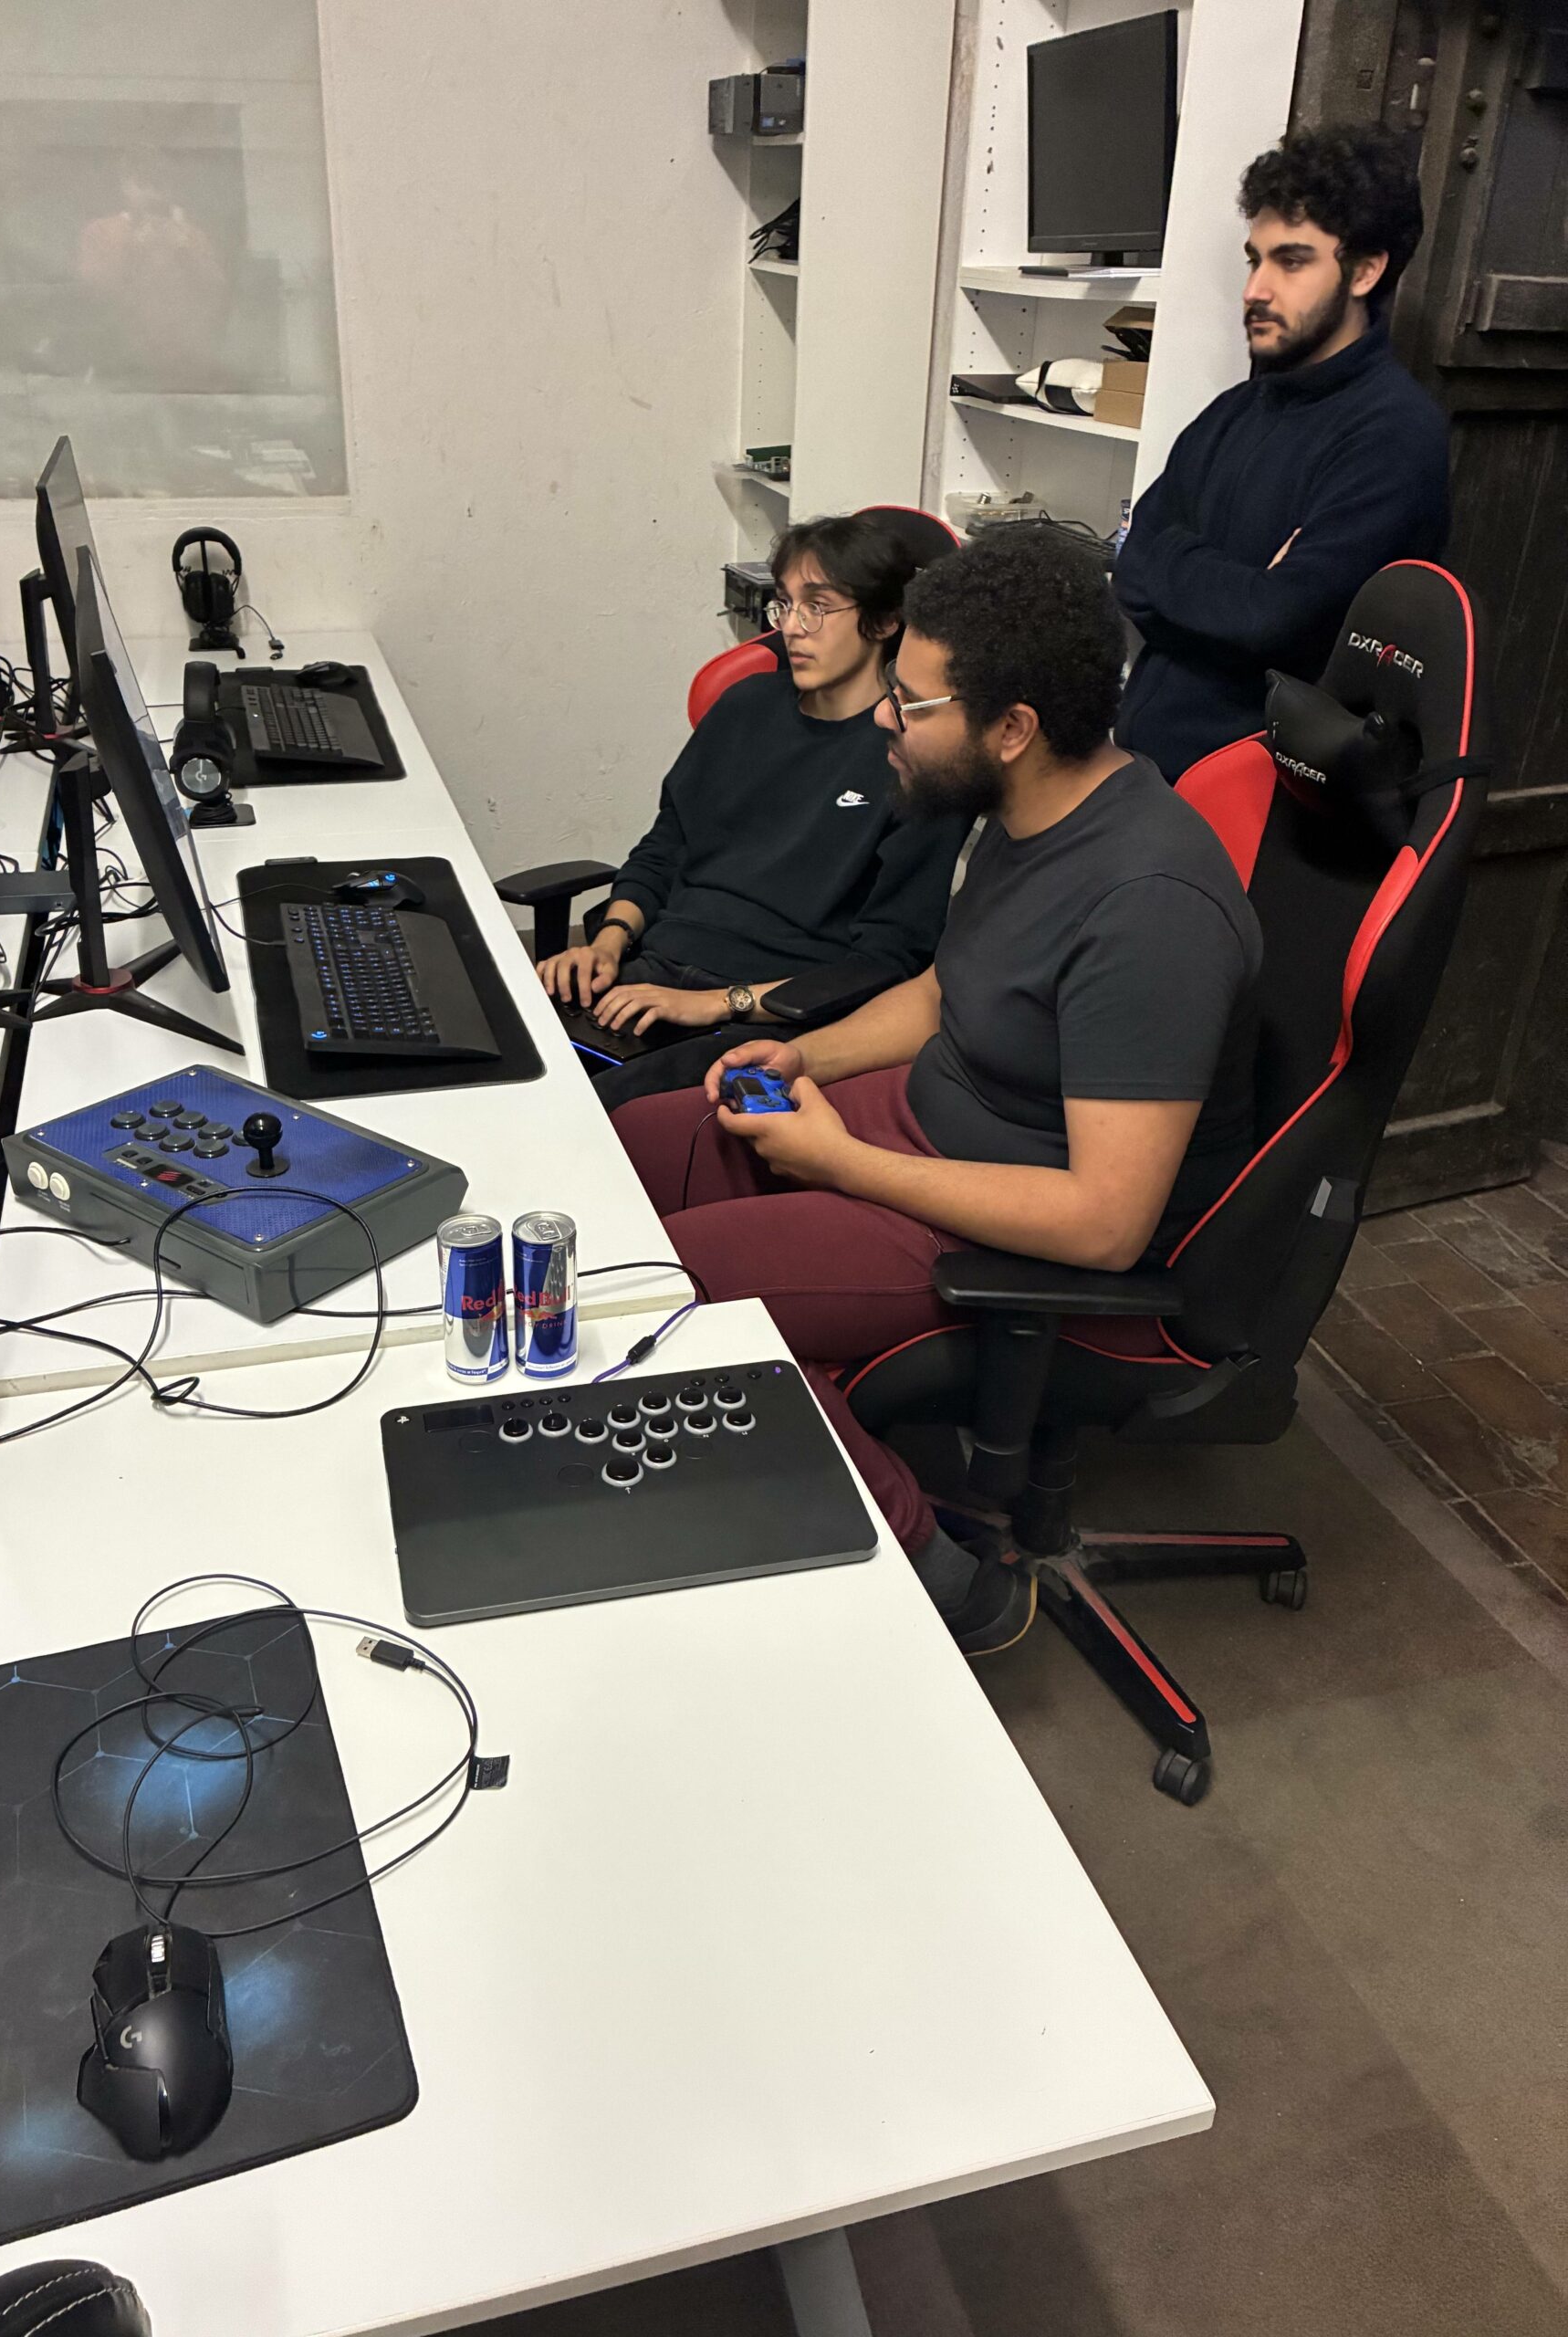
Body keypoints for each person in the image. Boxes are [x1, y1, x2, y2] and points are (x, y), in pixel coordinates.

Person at [612, 530, 1262, 1651]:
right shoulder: (1025, 813)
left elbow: (1105, 1223)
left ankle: (947, 1579)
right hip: (920, 1121)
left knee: (676, 1298)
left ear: (1012, 727)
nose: (883, 718)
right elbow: (941, 990)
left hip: (1008, 1213)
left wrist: (842, 1164)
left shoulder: (1150, 906)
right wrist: (805, 1059)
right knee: (630, 1146)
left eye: (911, 704)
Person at [536, 514, 968, 1106]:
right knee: (499, 1045)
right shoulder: (745, 706)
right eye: (784, 604)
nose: (791, 627)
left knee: (588, 1112)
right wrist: (607, 944)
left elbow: (888, 960)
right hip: (652, 971)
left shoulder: (916, 756)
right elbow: (665, 847)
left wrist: (719, 1003)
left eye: (818, 607)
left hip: (769, 1011)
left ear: (885, 620)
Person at [1114, 123, 1449, 781]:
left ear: (1366, 270)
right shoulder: (1234, 412)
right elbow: (1131, 565)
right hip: (1145, 775)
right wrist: (1231, 586)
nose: (1255, 289)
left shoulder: (1394, 435)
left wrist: (1175, 562)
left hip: (1259, 803)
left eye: (1291, 262)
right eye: (1255, 259)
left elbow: (1275, 623)